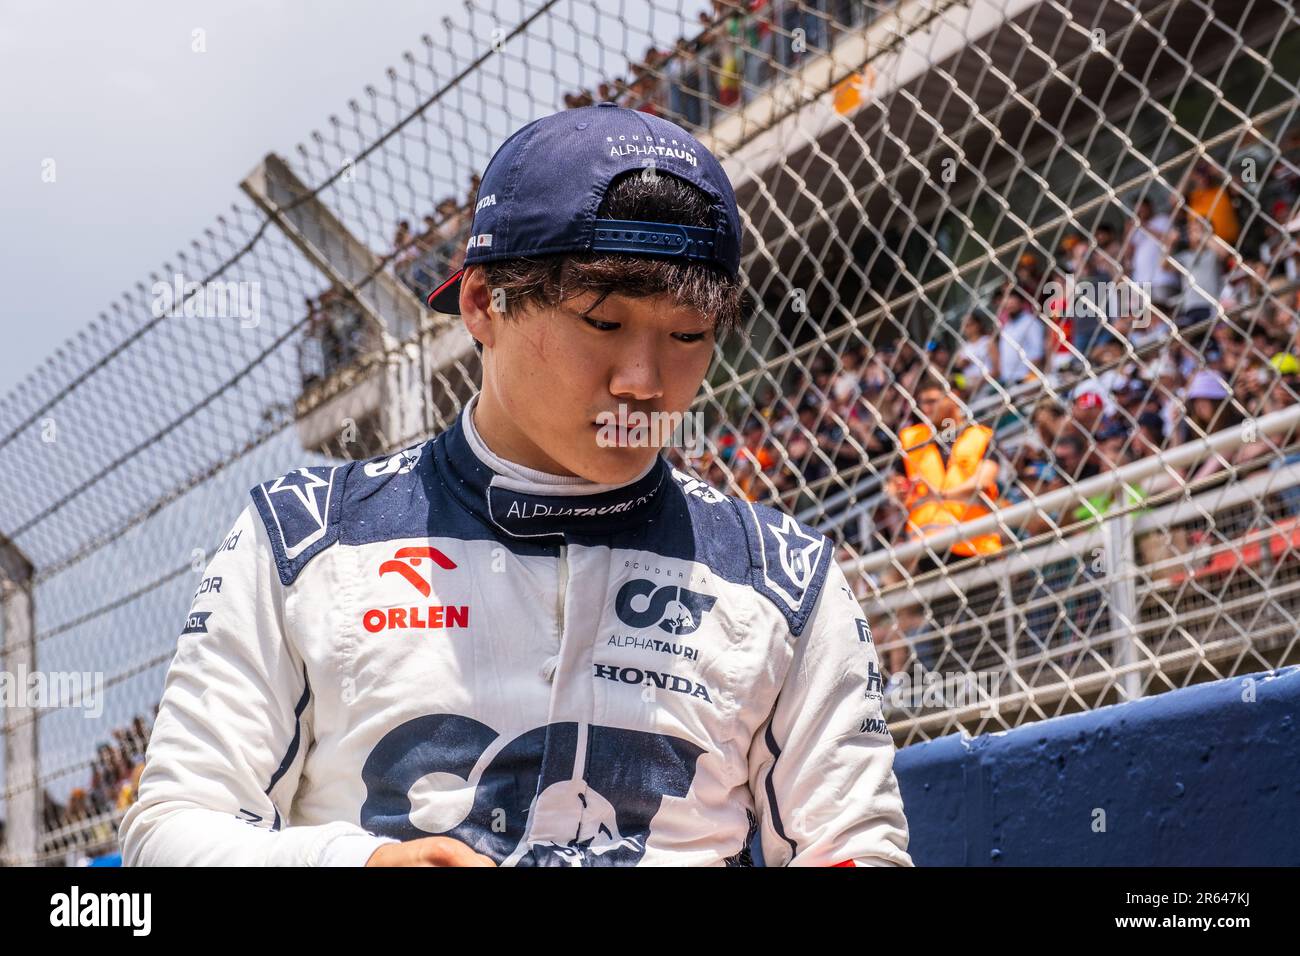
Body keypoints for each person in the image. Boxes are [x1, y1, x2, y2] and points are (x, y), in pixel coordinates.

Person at [121, 103, 910, 868]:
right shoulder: (303, 540)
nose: (643, 382)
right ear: (481, 303)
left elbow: (857, 850)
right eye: (603, 323)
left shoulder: (784, 575)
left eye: (688, 336)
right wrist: (357, 862)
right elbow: (172, 832)